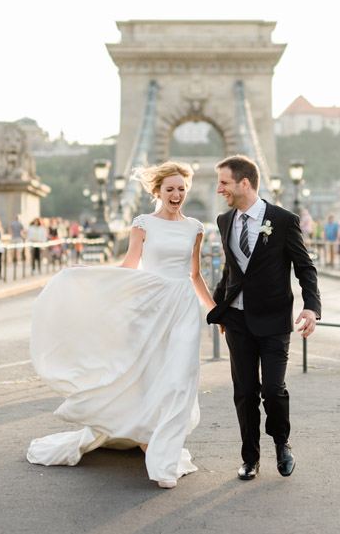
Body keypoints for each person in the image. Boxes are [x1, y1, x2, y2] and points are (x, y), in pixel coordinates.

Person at [27, 161, 214, 489]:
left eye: (181, 188)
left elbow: (195, 275)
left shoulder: (195, 227)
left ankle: (162, 451)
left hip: (183, 305)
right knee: (147, 372)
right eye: (170, 188)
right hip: (151, 304)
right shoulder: (143, 224)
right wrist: (90, 276)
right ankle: (148, 439)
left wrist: (215, 311)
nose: (177, 194)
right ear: (158, 192)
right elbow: (130, 265)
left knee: (180, 379)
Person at [207, 155, 321, 482]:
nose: (219, 189)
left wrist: (311, 306)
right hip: (238, 321)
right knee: (244, 391)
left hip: (273, 320)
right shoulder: (224, 220)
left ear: (244, 183)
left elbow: (305, 268)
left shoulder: (283, 220)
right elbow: (232, 270)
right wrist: (218, 308)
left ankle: (282, 442)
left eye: (224, 183)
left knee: (273, 389)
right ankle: (250, 458)